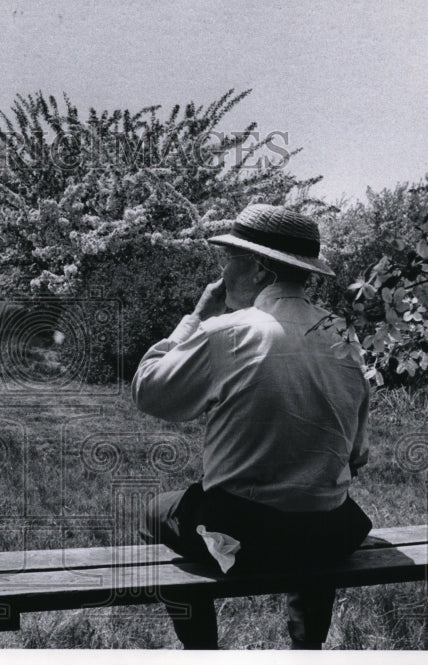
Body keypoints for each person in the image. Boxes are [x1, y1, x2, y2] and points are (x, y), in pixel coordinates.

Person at [131, 203, 373, 650]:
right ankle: (307, 648)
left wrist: (196, 318)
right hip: (329, 535)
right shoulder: (344, 334)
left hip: (247, 537)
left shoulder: (228, 331)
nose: (222, 275)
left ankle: (202, 650)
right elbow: (357, 456)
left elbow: (150, 391)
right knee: (312, 512)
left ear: (259, 270)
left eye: (230, 260)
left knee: (153, 511)